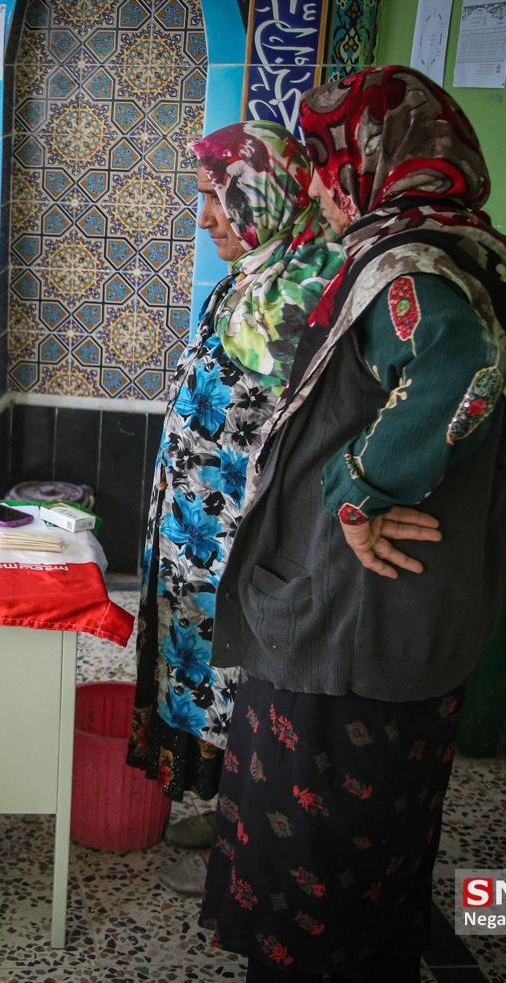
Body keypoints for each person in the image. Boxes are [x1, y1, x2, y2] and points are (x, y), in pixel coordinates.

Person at [200, 67, 506, 983]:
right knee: (381, 837)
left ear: (374, 160)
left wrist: (362, 486)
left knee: (310, 850)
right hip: (417, 612)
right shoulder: (481, 255)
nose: (321, 188)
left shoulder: (406, 265)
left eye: (328, 165)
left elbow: (461, 367)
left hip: (346, 622)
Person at [126, 121, 344, 896]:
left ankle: (247, 850)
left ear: (265, 193)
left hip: (249, 543)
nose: (205, 219)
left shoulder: (310, 290)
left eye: (217, 198)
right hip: (200, 535)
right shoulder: (254, 277)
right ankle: (228, 816)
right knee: (212, 687)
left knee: (251, 697)